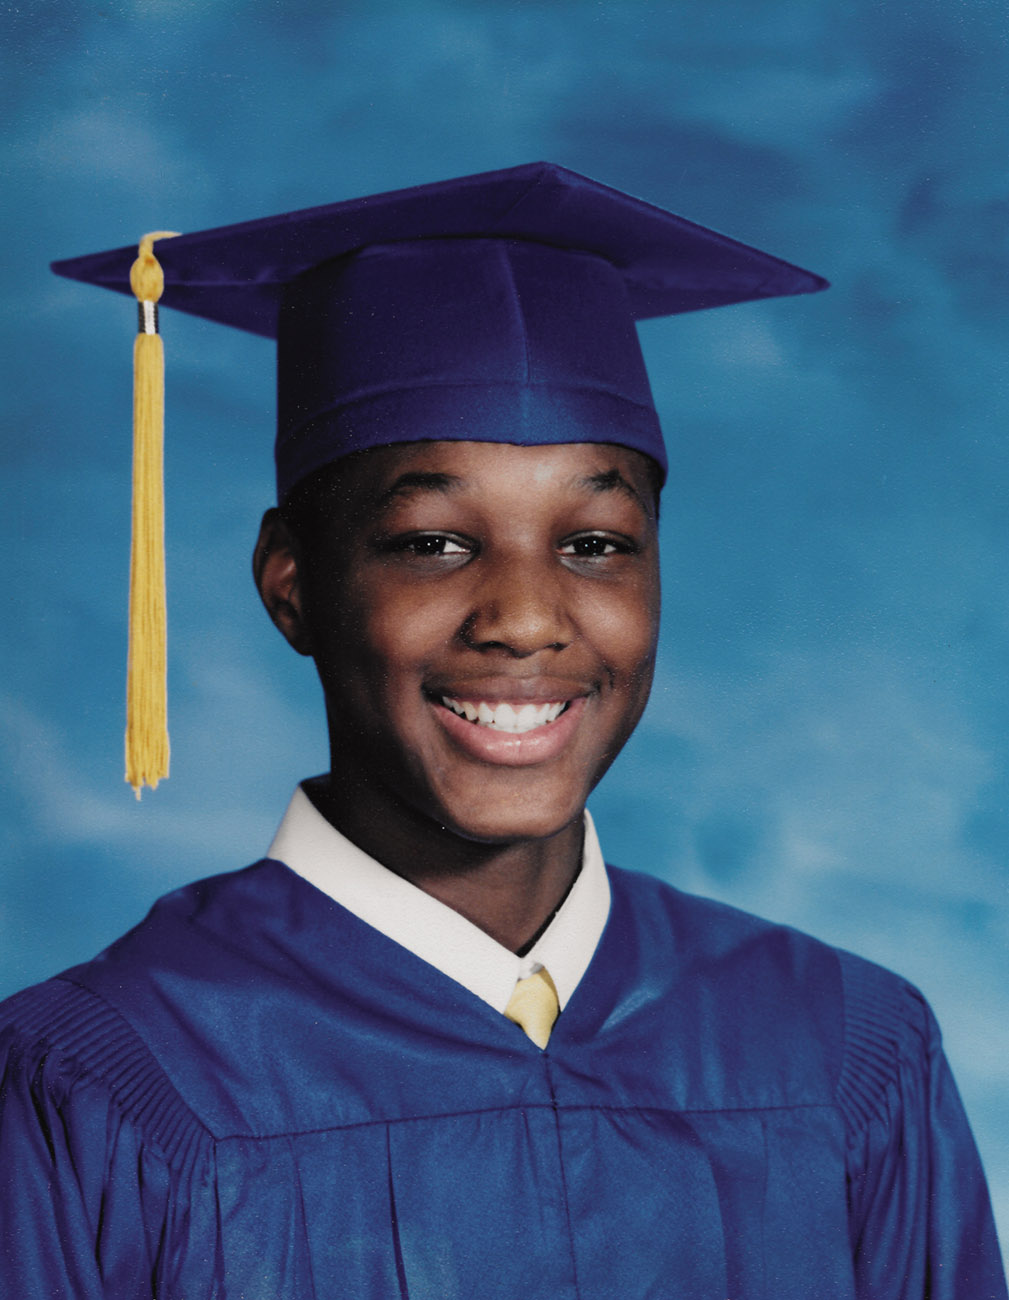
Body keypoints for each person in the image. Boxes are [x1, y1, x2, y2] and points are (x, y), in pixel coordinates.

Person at [0, 163, 1004, 1299]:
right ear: (292, 587)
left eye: (595, 543)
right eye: (432, 542)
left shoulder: (845, 1051)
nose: (525, 620)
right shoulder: (99, 1081)